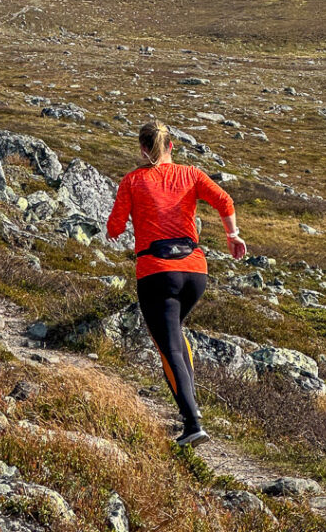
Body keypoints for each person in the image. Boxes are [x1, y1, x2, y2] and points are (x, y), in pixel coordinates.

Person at [106, 120, 247, 446]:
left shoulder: (133, 180)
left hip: (157, 272)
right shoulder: (191, 174)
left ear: (142, 149)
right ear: (171, 146)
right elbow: (225, 201)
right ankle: (191, 409)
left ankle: (192, 422)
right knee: (175, 338)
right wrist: (232, 235)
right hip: (195, 272)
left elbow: (115, 226)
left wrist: (115, 231)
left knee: (168, 346)